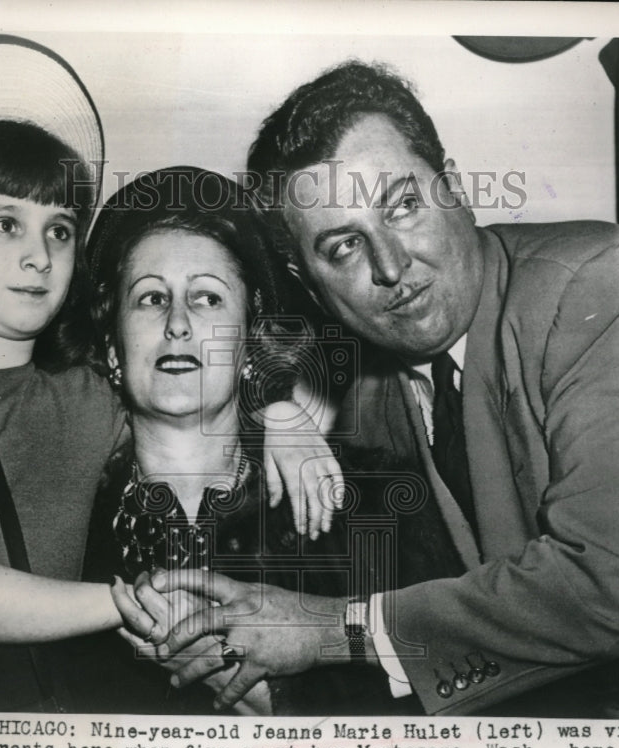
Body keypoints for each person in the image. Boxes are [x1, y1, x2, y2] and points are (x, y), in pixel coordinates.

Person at [148, 60, 619, 719]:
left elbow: (600, 594)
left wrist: (333, 631)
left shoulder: (611, 284)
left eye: (404, 206)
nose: (392, 267)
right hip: (576, 713)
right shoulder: (381, 372)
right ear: (309, 281)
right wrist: (279, 413)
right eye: (344, 248)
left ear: (452, 184)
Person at [0, 38, 337, 712]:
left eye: (61, 229)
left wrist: (281, 410)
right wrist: (127, 602)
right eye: (6, 223)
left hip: (47, 719)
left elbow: (190, 379)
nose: (39, 255)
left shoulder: (87, 390)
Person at [62, 166, 451, 715]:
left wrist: (265, 693)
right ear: (111, 346)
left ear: (249, 342)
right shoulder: (61, 525)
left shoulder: (373, 505)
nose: (178, 324)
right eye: (150, 299)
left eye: (208, 299)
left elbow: (452, 696)